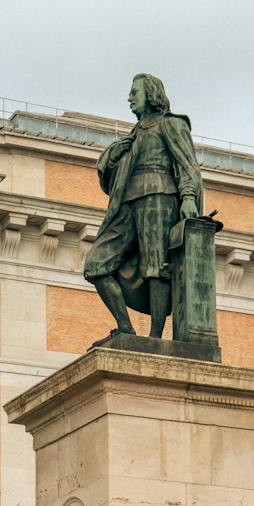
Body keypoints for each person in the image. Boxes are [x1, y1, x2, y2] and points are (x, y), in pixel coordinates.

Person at [83, 72, 207, 342]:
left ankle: (154, 337)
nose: (129, 98)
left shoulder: (171, 125)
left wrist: (187, 197)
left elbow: (188, 165)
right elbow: (110, 173)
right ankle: (125, 327)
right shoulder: (133, 134)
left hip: (159, 195)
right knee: (96, 264)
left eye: (134, 93)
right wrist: (113, 155)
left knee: (156, 266)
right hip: (126, 202)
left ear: (150, 94)